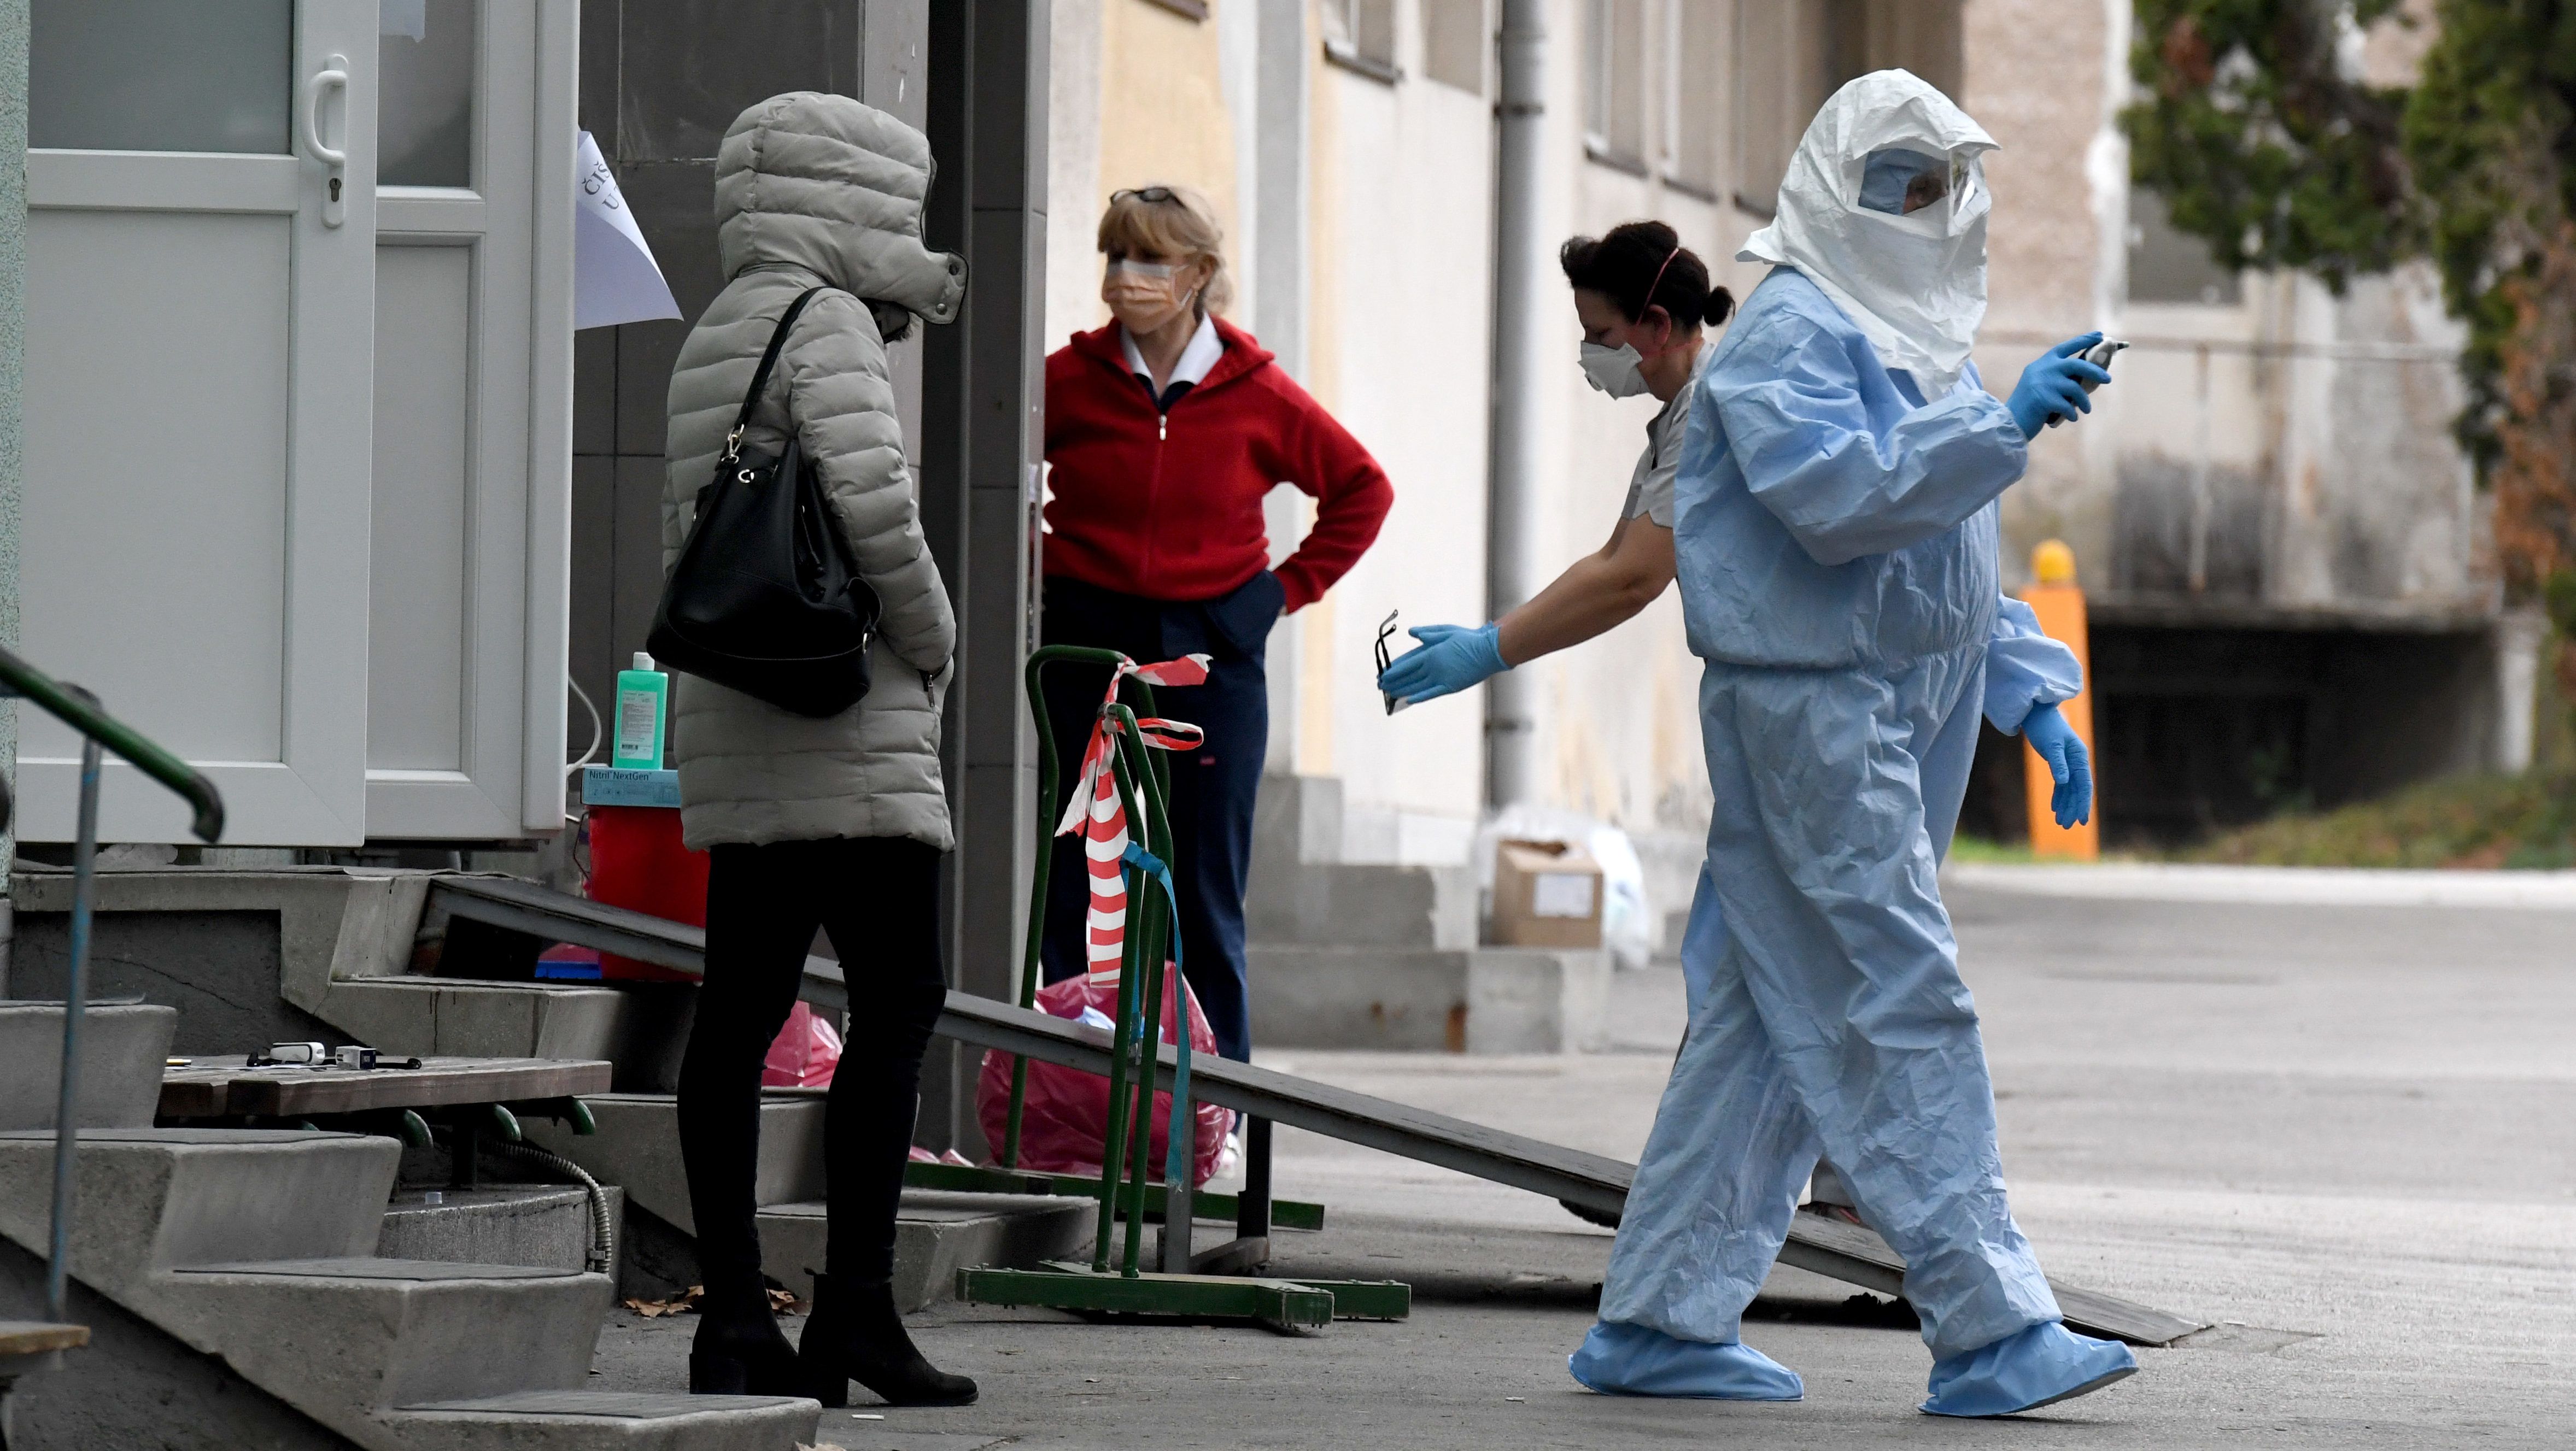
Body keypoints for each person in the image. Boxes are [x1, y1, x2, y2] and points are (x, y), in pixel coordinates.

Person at [1562, 71, 2132, 1417]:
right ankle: (1990, 1322)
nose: (1924, 210)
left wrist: (2027, 686)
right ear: (1833, 184)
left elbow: (1947, 554)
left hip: (1882, 700)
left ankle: (1658, 1315)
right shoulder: (1786, 338)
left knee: (1771, 1017)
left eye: (1940, 184)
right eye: (1900, 183)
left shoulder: (1909, 332)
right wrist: (2004, 425)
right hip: (1814, 707)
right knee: (1897, 991)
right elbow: (1843, 502)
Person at [660, 92, 974, 1409]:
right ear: (852, 203)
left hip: (744, 713)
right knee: (897, 1001)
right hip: (849, 713)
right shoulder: (830, 318)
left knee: (736, 1014)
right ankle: (853, 1308)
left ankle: (731, 1315)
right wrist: (937, 633)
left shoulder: (718, 324)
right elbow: (876, 504)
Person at [1040, 185, 1394, 1064]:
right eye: (1114, 256)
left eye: (1149, 260)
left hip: (1211, 656)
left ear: (1198, 274)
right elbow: (988, 452)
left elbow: (1363, 488)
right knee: (1071, 871)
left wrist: (1278, 593)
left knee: (1201, 888)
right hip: (1085, 642)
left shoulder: (1257, 391)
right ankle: (1059, 1082)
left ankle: (1215, 1101)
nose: (1125, 277)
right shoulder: (1065, 379)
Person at [1374, 221, 1730, 708]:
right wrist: (1495, 632)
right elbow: (1612, 557)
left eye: (1601, 334)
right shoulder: (1678, 418)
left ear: (1658, 325)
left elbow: (1632, 580)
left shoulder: (1707, 413)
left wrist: (1493, 650)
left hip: (1797, 698)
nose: (1589, 354)